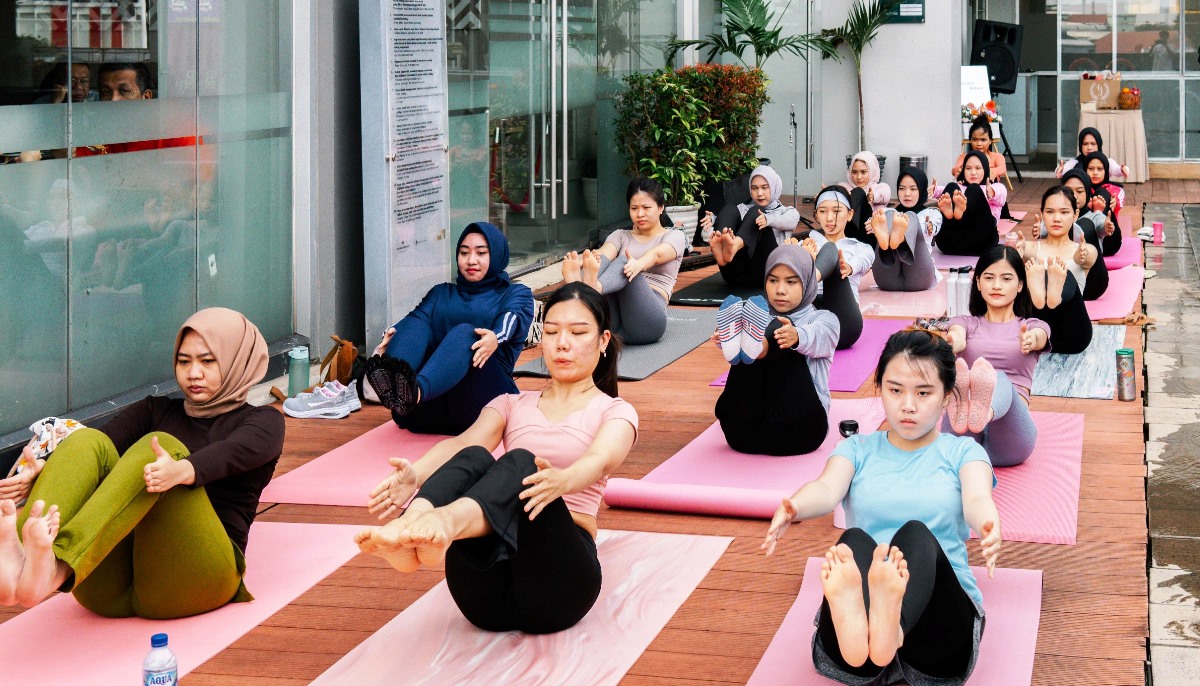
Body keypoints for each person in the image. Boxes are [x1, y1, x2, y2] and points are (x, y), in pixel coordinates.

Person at [354, 282, 638, 634]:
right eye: (551, 332)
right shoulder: (511, 403)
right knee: (476, 455)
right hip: (485, 597)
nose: (562, 343)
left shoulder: (614, 411)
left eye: (578, 332)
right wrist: (417, 475)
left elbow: (600, 460)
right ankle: (411, 523)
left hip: (558, 587)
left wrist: (562, 481)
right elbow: (463, 445)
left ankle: (444, 524)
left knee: (521, 462)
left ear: (604, 340)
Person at [0, 308, 283, 618]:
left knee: (158, 452)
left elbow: (233, 452)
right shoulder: (154, 410)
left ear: (238, 362)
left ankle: (57, 568)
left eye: (207, 361)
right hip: (107, 591)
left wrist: (181, 470)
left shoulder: (263, 422)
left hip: (195, 582)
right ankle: (18, 552)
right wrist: (47, 469)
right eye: (183, 361)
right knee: (83, 441)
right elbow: (93, 455)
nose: (193, 373)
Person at [761, 329, 1001, 685]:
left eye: (923, 393)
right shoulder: (857, 449)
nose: (908, 404)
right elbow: (827, 489)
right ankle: (867, 626)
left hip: (938, 639)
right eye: (895, 390)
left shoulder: (963, 453)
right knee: (853, 541)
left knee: (916, 536)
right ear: (881, 389)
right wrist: (794, 506)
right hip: (856, 650)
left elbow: (977, 498)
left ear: (947, 398)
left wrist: (987, 524)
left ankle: (894, 626)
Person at [364, 222, 534, 435]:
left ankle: (414, 391)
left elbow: (510, 321)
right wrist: (392, 332)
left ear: (497, 255)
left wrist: (495, 338)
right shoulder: (441, 293)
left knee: (466, 334)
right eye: (464, 253)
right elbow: (413, 321)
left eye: (481, 253)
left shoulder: (516, 294)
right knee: (414, 324)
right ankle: (398, 387)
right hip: (427, 411)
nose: (471, 260)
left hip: (482, 406)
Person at [713, 244, 839, 455]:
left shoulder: (825, 319)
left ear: (807, 282)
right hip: (743, 434)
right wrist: (724, 339)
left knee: (779, 328)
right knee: (754, 332)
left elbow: (818, 335)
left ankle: (755, 345)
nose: (780, 290)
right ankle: (744, 345)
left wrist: (796, 336)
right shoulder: (755, 315)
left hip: (799, 431)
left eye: (791, 282)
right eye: (773, 280)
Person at [943, 245, 1049, 468]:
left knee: (997, 377)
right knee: (960, 374)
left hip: (1011, 441)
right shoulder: (965, 323)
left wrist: (1031, 340)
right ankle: (967, 406)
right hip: (965, 438)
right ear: (979, 282)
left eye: (1006, 278)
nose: (997, 285)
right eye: (989, 278)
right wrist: (953, 343)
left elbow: (1040, 336)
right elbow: (957, 335)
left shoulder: (1031, 326)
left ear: (1020, 285)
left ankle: (985, 412)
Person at [561, 177, 686, 345]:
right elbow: (605, 252)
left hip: (649, 322)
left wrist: (638, 265)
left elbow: (657, 255)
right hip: (614, 326)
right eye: (634, 208)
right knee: (601, 261)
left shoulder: (674, 236)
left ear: (661, 208)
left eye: (646, 207)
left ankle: (589, 291)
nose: (640, 213)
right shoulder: (620, 235)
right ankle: (583, 288)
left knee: (623, 262)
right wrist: (588, 261)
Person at [75, 63, 199, 157]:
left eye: (124, 91)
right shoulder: (95, 135)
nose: (113, 100)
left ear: (146, 97)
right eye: (106, 92)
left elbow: (200, 186)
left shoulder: (179, 133)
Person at [706, 165, 801, 287]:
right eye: (754, 188)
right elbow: (728, 216)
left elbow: (790, 221)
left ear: (774, 187)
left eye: (764, 188)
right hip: (733, 274)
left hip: (767, 274)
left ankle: (734, 246)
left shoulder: (788, 212)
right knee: (730, 208)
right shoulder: (743, 208)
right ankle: (722, 249)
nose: (759, 193)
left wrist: (767, 219)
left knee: (757, 212)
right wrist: (713, 219)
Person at [800, 186, 869, 349]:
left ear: (850, 214)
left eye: (836, 211)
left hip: (844, 325)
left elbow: (863, 261)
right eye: (823, 211)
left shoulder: (862, 248)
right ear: (816, 215)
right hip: (811, 323)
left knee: (830, 249)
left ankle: (814, 277)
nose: (829, 218)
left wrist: (847, 267)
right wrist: (799, 255)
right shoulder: (806, 245)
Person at [1019, 184, 1108, 302]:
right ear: (1042, 214)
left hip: (1070, 316)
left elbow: (1088, 255)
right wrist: (1018, 248)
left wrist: (1081, 256)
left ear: (1075, 215)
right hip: (1038, 317)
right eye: (1050, 212)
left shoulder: (1083, 250)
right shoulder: (1032, 248)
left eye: (1064, 212)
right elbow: (1027, 249)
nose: (1056, 218)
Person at [870, 167, 940, 292]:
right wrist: (870, 226)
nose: (907, 194)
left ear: (922, 189)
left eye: (913, 189)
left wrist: (930, 227)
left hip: (919, 277)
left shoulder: (932, 213)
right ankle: (886, 244)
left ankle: (901, 239)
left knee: (910, 216)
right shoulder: (886, 213)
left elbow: (935, 226)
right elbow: (872, 223)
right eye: (902, 188)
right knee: (889, 214)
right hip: (887, 278)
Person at [932, 151, 1005, 257]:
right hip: (949, 243)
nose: (973, 172)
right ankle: (953, 214)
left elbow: (1001, 195)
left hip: (983, 242)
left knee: (974, 189)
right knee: (951, 186)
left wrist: (991, 192)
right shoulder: (959, 188)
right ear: (963, 171)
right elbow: (941, 190)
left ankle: (960, 212)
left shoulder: (995, 187)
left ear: (985, 169)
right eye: (968, 168)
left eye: (978, 168)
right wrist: (934, 190)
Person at [839, 151, 891, 246]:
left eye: (863, 172)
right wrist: (825, 195)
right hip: (848, 231)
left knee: (858, 192)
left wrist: (873, 196)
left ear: (872, 171)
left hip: (870, 232)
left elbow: (885, 194)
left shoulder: (880, 187)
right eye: (854, 172)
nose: (859, 177)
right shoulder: (846, 187)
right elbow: (837, 192)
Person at [1056, 127, 1128, 180]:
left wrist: (1122, 170)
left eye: (1093, 144)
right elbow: (1064, 169)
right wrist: (1061, 170)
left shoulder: (1106, 161)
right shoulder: (1075, 162)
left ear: (1099, 145)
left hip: (1101, 196)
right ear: (1080, 145)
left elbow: (1116, 169)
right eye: (1085, 144)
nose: (1089, 147)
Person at [951, 115, 1007, 181]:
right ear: (970, 140)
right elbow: (954, 171)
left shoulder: (997, 157)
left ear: (990, 141)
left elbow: (1003, 169)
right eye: (975, 139)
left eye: (983, 140)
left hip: (989, 189)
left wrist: (991, 172)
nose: (979, 144)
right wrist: (960, 169)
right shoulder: (964, 157)